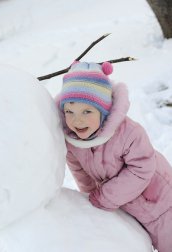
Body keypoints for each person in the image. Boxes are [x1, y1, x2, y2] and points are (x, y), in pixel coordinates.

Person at [56, 61, 172, 252]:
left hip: (161, 202)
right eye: (70, 111)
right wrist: (91, 200)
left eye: (87, 111)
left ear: (104, 110)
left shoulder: (128, 133)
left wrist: (104, 198)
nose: (77, 120)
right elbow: (81, 173)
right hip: (127, 206)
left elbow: (141, 169)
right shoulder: (74, 142)